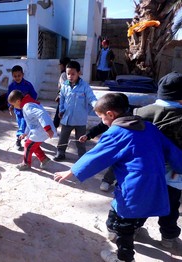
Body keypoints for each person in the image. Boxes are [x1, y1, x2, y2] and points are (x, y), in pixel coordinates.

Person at [54, 93, 182, 262]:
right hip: (155, 185)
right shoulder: (149, 127)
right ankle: (116, 229)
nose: (103, 122)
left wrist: (71, 172)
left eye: (101, 117)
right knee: (124, 211)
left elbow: (95, 156)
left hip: (133, 189)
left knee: (124, 227)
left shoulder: (116, 132)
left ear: (110, 115)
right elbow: (172, 151)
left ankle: (124, 257)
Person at [133, 71, 182, 249]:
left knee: (145, 201)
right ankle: (168, 238)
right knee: (170, 206)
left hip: (147, 171)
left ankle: (135, 228)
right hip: (174, 175)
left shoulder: (140, 112)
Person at [53, 60, 97, 161]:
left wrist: (96, 105)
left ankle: (82, 156)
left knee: (80, 139)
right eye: (68, 74)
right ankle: (60, 153)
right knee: (63, 137)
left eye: (73, 74)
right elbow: (62, 98)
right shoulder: (64, 85)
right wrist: (61, 110)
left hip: (80, 119)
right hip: (67, 118)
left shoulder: (85, 86)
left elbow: (91, 98)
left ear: (79, 73)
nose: (70, 76)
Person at [7, 90, 56, 171]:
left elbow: (41, 114)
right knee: (33, 145)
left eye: (14, 105)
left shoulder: (27, 107)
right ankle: (44, 159)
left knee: (27, 145)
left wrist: (48, 129)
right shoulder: (27, 105)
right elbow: (30, 122)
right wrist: (25, 133)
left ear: (18, 101)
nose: (14, 107)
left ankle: (26, 164)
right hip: (39, 131)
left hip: (42, 131)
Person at [7, 65, 38, 151]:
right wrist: (10, 106)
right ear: (12, 76)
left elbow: (34, 95)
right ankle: (23, 137)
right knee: (21, 124)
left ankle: (19, 140)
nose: (17, 78)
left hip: (27, 109)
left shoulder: (28, 85)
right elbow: (9, 98)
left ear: (22, 74)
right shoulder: (11, 86)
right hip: (18, 110)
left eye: (19, 75)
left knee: (24, 124)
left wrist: (30, 103)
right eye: (15, 76)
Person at [54, 57, 71, 128]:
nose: (59, 66)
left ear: (63, 65)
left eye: (60, 64)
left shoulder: (64, 74)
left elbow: (64, 86)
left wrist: (59, 95)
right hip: (68, 96)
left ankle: (54, 126)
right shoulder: (68, 74)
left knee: (59, 112)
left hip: (64, 96)